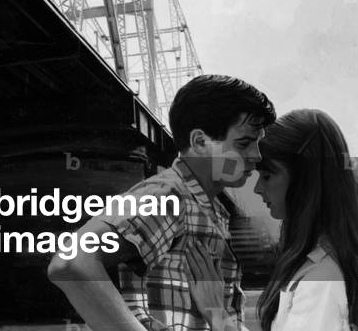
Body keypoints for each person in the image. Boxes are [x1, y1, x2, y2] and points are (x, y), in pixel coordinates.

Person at [47, 74, 277, 330]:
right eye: (244, 143)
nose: (256, 155)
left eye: (257, 144)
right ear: (200, 142)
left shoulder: (209, 208)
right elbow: (71, 261)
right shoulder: (167, 195)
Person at [186, 109, 358, 331]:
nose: (257, 188)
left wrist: (216, 314)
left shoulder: (321, 281)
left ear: (305, 181)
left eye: (267, 176)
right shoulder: (322, 265)